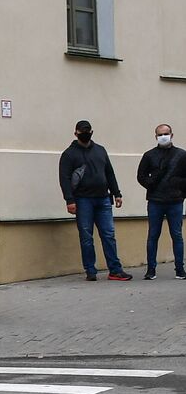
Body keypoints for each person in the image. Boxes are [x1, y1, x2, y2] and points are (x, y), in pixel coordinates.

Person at [59, 119, 131, 281]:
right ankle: (90, 270)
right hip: (82, 200)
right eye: (82, 132)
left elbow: (109, 173)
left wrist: (117, 193)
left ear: (92, 132)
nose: (85, 134)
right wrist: (69, 200)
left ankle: (115, 270)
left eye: (87, 131)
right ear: (75, 133)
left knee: (109, 235)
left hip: (103, 199)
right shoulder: (69, 154)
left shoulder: (100, 150)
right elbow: (64, 178)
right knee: (86, 237)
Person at [136, 123, 186, 281]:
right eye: (160, 134)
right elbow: (141, 176)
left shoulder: (182, 155)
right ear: (155, 136)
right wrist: (150, 184)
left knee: (177, 235)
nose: (163, 136)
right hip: (155, 201)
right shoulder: (149, 155)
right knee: (153, 235)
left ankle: (180, 269)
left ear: (172, 135)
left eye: (166, 133)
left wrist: (181, 192)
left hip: (175, 201)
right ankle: (151, 270)